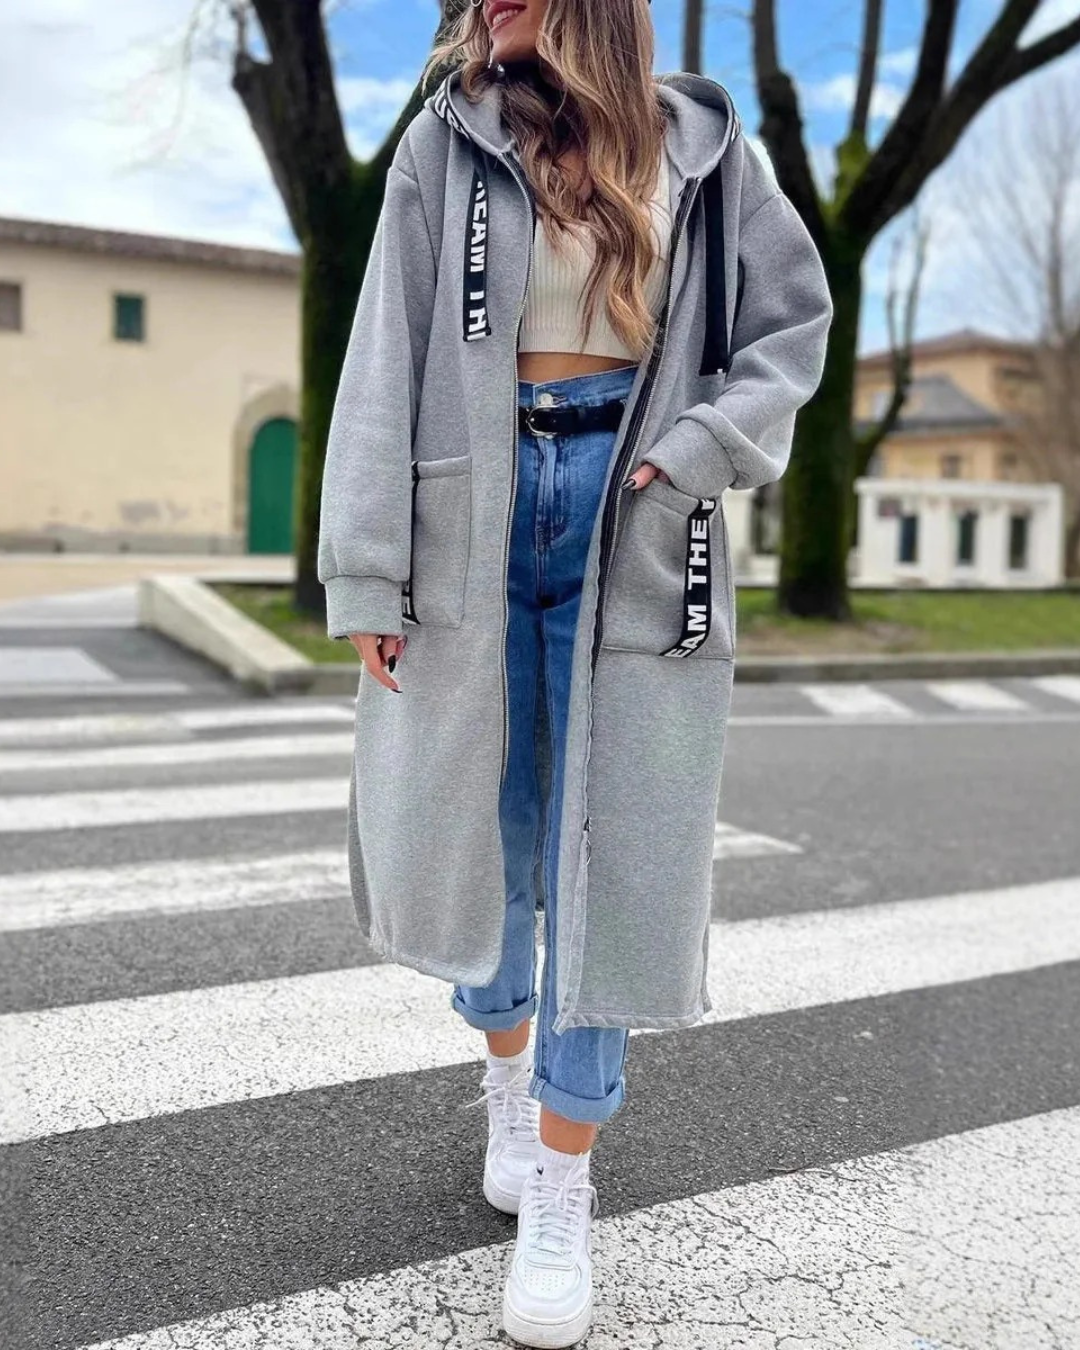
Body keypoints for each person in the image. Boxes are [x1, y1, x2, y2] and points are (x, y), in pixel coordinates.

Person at [317, 1, 833, 1344]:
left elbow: (792, 327)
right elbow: (385, 350)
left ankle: (563, 1176)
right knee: (488, 839)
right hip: (471, 511)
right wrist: (368, 569)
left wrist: (700, 450)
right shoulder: (447, 142)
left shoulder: (703, 150)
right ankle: (508, 1076)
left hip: (637, 514)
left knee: (613, 857)